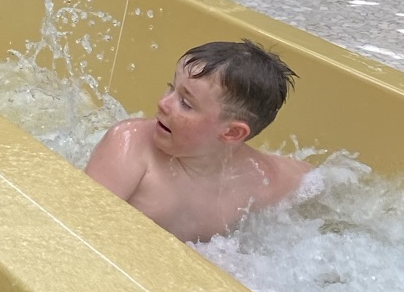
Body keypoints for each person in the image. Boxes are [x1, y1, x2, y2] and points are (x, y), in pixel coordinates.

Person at [85, 38, 308, 243]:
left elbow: (322, 182)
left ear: (232, 133)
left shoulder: (260, 178)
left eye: (186, 103)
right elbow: (80, 228)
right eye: (171, 88)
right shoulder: (130, 147)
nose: (163, 103)